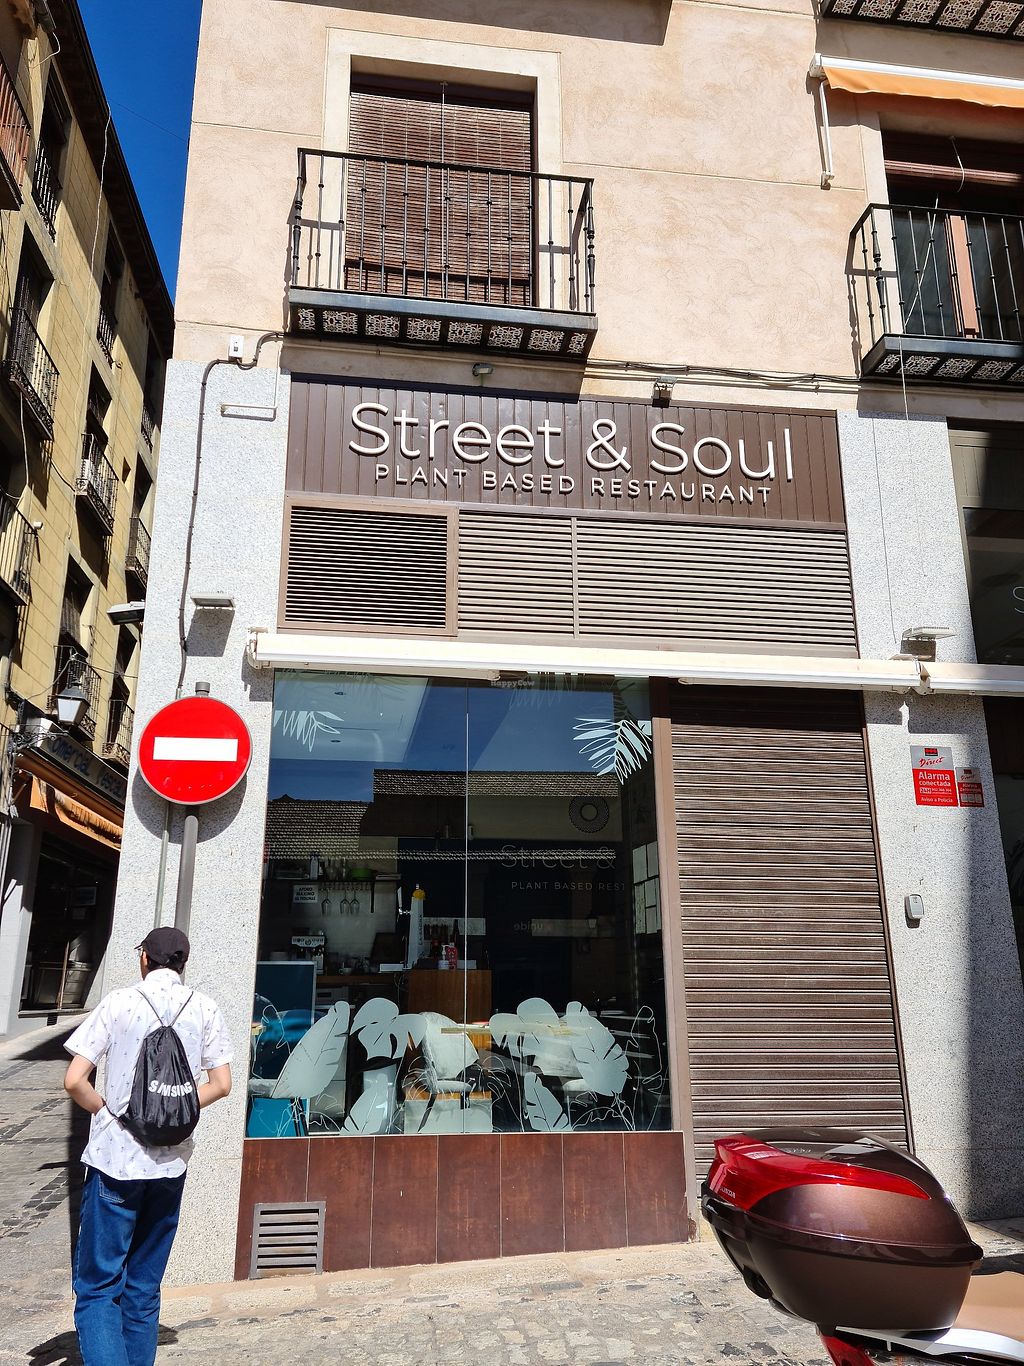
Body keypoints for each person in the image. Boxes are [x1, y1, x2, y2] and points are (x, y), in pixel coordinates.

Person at [63, 927, 233, 1366]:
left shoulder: (119, 1002)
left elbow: (75, 1080)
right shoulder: (205, 1007)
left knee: (98, 1289)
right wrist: (171, 1109)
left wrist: (108, 1112)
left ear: (144, 959)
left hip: (115, 1160)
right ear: (183, 963)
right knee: (142, 1287)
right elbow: (221, 1084)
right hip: (170, 1164)